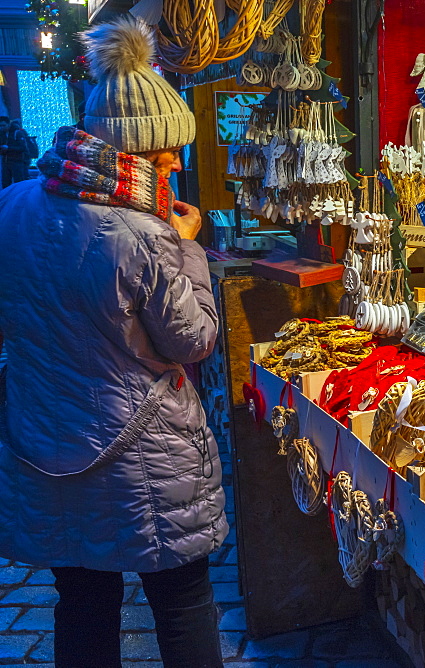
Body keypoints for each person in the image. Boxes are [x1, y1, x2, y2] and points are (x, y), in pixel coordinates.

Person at [0, 17, 227, 668]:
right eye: (167, 154)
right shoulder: (143, 232)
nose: (178, 164)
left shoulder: (11, 206)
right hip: (145, 465)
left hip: (47, 450)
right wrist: (189, 251)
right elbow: (195, 339)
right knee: (182, 599)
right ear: (129, 152)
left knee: (81, 600)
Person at [0, 116, 30, 187]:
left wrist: (8, 148)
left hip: (17, 161)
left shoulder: (17, 133)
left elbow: (23, 148)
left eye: (3, 125)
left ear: (8, 124)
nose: (1, 127)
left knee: (19, 183)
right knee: (5, 183)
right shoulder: (2, 134)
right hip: (5, 161)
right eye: (0, 126)